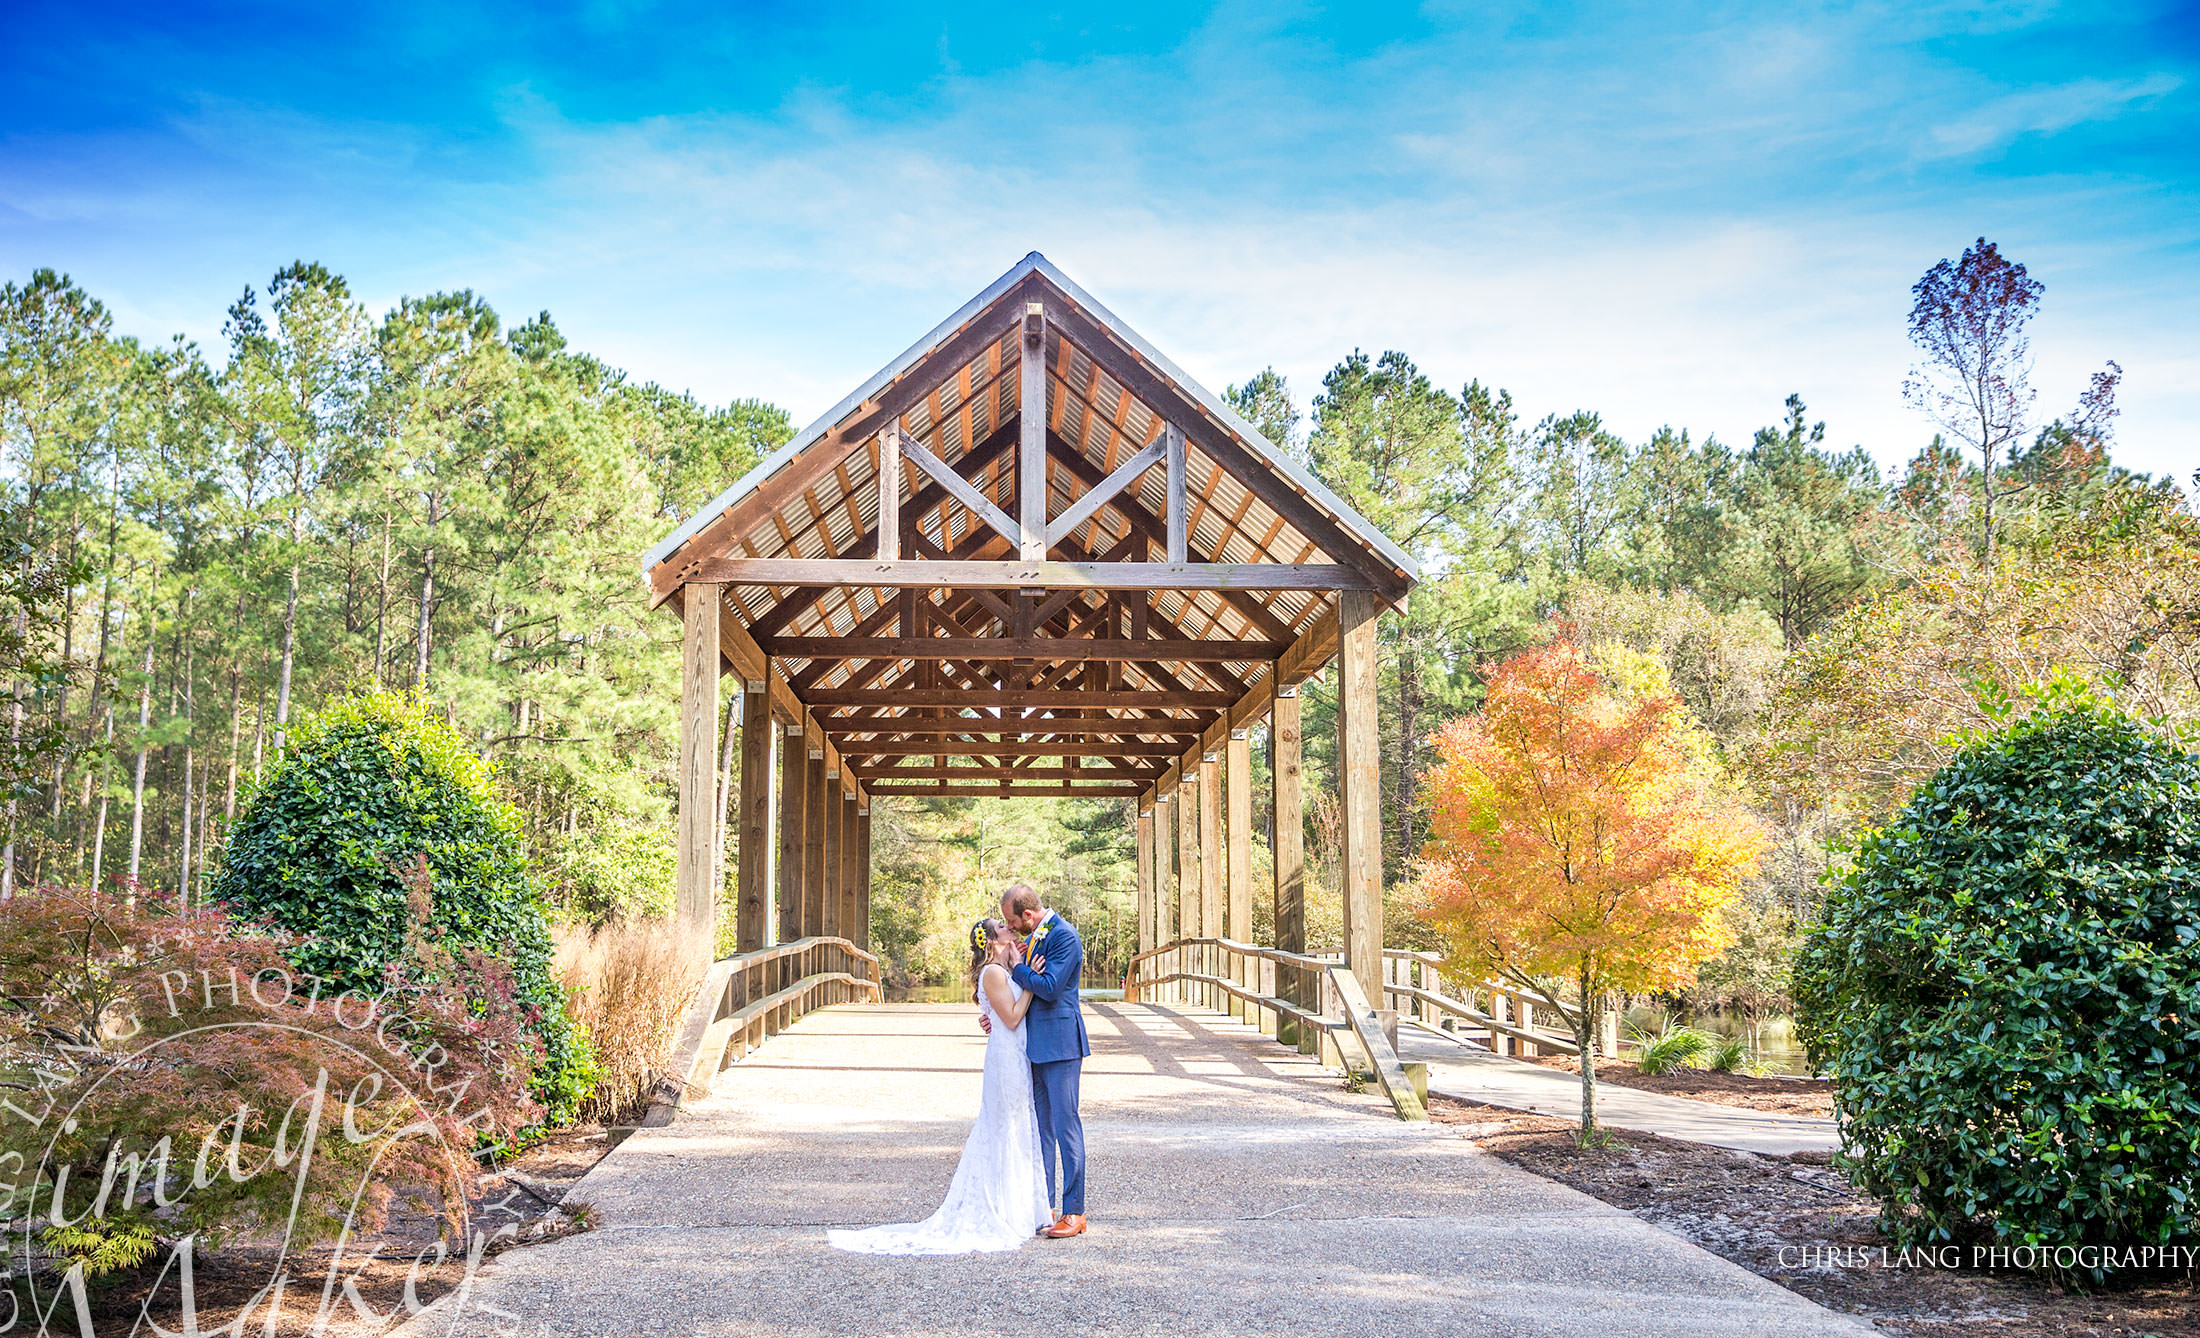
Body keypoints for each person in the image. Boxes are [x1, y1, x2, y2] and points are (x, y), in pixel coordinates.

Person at [826, 918, 1053, 1255]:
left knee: (1017, 1127)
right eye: (1003, 929)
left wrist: (1020, 969)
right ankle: (1006, 1210)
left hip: (1016, 1056)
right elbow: (1013, 1017)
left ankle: (1022, 1208)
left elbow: (1006, 1011)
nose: (1011, 929)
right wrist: (1031, 982)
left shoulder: (1006, 967)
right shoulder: (993, 972)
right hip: (1005, 1060)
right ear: (991, 941)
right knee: (1004, 1127)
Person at [993, 883, 1090, 1238]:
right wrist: (997, 1014)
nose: (1011, 926)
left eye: (1011, 920)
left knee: (1066, 1128)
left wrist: (1019, 966)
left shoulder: (1064, 936)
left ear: (1028, 915)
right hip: (1033, 1046)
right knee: (1041, 1131)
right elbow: (1026, 992)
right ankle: (1043, 1205)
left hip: (1062, 1045)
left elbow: (1048, 987)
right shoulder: (1034, 935)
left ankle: (1075, 1211)